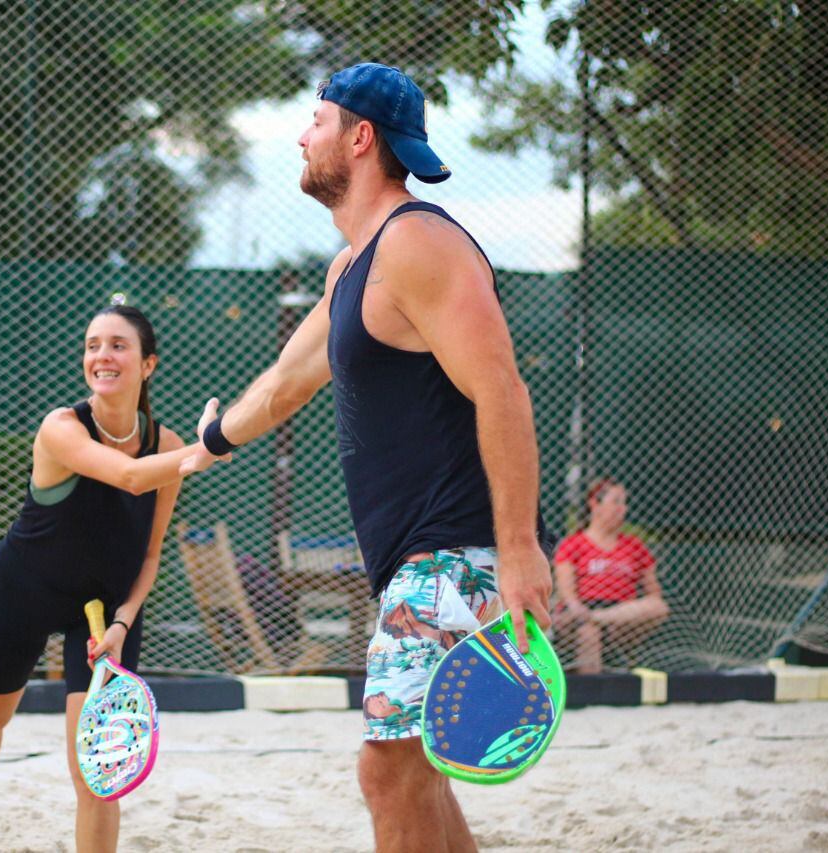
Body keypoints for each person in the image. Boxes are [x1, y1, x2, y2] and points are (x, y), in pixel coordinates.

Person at [181, 63, 553, 853]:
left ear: (360, 137)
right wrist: (208, 444)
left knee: (388, 772)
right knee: (417, 773)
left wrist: (519, 550)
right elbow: (285, 383)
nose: (300, 135)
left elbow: (504, 393)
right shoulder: (354, 266)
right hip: (421, 562)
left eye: (315, 120)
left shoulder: (420, 241)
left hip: (458, 556)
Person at [0, 305, 219, 852]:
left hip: (105, 613)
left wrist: (124, 621)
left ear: (147, 364)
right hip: (24, 590)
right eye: (92, 344)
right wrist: (211, 448)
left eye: (118, 345)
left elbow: (150, 554)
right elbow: (126, 477)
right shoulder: (61, 427)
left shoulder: (168, 447)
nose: (102, 355)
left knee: (97, 768)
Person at [553, 478, 669, 674]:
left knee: (658, 607)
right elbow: (567, 594)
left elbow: (654, 595)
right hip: (582, 611)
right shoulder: (574, 544)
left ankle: (597, 619)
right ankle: (594, 689)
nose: (622, 509)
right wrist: (578, 611)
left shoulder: (635, 546)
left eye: (624, 503)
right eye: (615, 501)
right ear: (595, 504)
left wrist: (606, 617)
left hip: (621, 615)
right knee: (588, 632)